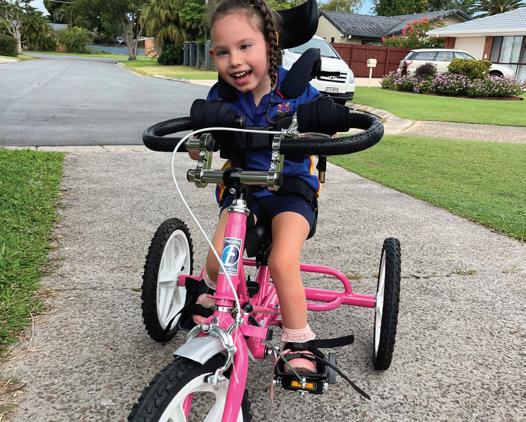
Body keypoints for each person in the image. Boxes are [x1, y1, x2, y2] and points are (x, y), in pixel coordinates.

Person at [191, 0, 321, 374]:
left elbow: (323, 132)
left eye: (245, 46)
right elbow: (197, 149)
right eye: (222, 52)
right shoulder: (221, 97)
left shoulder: (300, 93)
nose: (234, 61)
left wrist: (323, 126)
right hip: (243, 188)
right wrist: (202, 138)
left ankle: (299, 341)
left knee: (282, 261)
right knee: (217, 260)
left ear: (271, 43)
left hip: (291, 189)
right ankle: (212, 296)